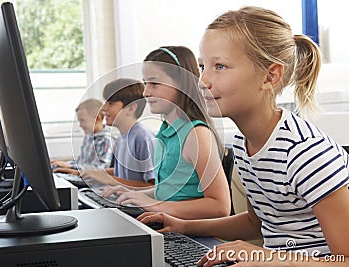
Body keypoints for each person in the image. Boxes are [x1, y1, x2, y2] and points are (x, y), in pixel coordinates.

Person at [139, 6, 349, 266]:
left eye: (220, 66)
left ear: (270, 76)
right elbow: (255, 222)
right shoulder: (243, 144)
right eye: (203, 66)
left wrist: (264, 257)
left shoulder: (305, 153)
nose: (202, 80)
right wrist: (184, 225)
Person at [101, 46, 231, 220]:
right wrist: (134, 194)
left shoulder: (196, 134)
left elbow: (220, 206)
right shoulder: (165, 131)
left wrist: (154, 205)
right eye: (145, 83)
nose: (146, 92)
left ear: (182, 84)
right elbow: (170, 190)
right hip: (170, 226)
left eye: (154, 83)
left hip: (193, 235)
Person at [80, 78, 156, 187]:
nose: (104, 108)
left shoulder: (143, 137)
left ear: (131, 109)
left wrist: (111, 180)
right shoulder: (122, 136)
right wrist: (95, 173)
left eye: (110, 103)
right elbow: (123, 172)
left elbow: (153, 187)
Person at [51, 98, 114, 171]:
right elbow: (81, 163)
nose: (80, 125)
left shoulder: (105, 140)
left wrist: (69, 166)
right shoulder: (88, 136)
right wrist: (64, 165)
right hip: (81, 175)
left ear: (97, 119)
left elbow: (101, 169)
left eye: (82, 120)